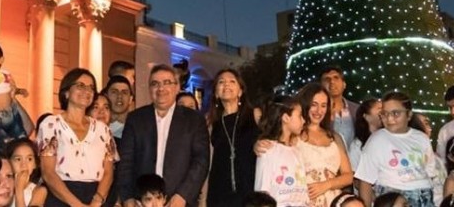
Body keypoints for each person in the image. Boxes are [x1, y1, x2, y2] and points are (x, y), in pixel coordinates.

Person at [117, 64, 210, 207]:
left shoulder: (194, 120)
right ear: (149, 89)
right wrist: (128, 198)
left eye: (167, 83)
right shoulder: (135, 119)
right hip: (141, 202)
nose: (161, 89)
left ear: (177, 87)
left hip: (180, 202)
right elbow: (125, 162)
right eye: (155, 84)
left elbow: (201, 161)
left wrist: (183, 196)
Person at [38, 68, 117, 207]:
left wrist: (96, 201)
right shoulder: (51, 124)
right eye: (80, 85)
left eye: (91, 87)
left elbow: (108, 172)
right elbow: (48, 172)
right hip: (61, 197)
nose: (87, 91)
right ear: (66, 92)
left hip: (97, 197)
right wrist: (77, 205)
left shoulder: (103, 129)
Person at [355, 91, 442, 207]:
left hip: (424, 197)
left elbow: (430, 172)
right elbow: (365, 181)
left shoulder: (421, 138)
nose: (389, 118)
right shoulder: (377, 140)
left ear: (409, 115)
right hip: (395, 199)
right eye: (384, 114)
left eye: (396, 113)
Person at [295, 82, 354, 206]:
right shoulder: (294, 136)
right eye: (314, 105)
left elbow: (348, 176)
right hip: (302, 199)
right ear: (305, 105)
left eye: (323, 106)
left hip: (332, 200)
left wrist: (327, 185)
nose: (319, 111)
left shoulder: (335, 137)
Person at [207, 68, 259, 206]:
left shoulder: (255, 115)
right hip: (220, 194)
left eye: (232, 81)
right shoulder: (211, 123)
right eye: (221, 82)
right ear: (216, 93)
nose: (226, 84)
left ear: (240, 91)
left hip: (251, 190)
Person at [254, 96, 310, 206]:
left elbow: (302, 188)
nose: (303, 120)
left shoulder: (297, 151)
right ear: (286, 118)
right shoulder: (267, 150)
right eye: (299, 116)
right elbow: (262, 191)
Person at [320, 66, 359, 148]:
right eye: (327, 79)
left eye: (336, 78)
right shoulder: (318, 112)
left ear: (344, 84)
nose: (332, 82)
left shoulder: (356, 109)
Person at [6, 138, 48, 207]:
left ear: (35, 164)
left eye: (29, 159)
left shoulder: (38, 191)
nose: (24, 165)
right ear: (8, 162)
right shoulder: (2, 187)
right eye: (18, 159)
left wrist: (19, 189)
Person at [348, 98, 382, 171]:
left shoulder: (390, 138)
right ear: (366, 116)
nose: (384, 113)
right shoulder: (357, 145)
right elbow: (354, 171)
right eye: (379, 109)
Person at [106, 75, 134, 142]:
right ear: (106, 96)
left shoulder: (137, 129)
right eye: (114, 92)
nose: (119, 96)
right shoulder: (97, 128)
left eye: (124, 93)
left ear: (130, 99)